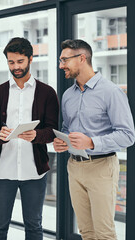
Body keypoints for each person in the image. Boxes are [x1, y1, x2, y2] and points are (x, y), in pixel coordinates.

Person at [54, 39, 135, 240]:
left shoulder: (111, 91)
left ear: (82, 58)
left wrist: (91, 142)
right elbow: (67, 128)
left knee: (104, 233)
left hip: (102, 167)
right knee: (86, 232)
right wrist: (62, 142)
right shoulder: (67, 95)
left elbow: (128, 135)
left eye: (64, 60)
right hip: (74, 167)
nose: (61, 65)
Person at [0, 37, 59, 240]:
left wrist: (36, 135)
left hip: (34, 173)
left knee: (34, 226)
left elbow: (53, 131)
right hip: (3, 171)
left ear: (30, 59)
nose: (15, 67)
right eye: (11, 62)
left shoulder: (47, 93)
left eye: (20, 61)